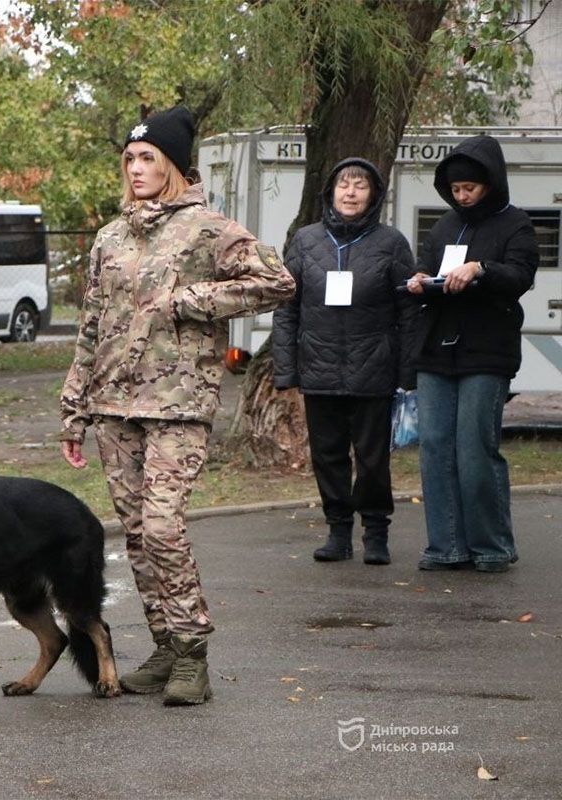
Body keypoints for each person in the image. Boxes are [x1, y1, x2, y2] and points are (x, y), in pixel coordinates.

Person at [59, 107, 295, 704]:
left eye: (148, 158)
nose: (136, 169)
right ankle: (164, 646)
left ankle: (193, 652)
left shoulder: (207, 228)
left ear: (172, 165)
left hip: (178, 403)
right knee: (137, 533)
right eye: (130, 160)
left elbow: (277, 281)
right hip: (113, 404)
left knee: (164, 526)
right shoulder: (111, 237)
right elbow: (92, 323)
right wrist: (73, 408)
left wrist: (194, 299)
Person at [273, 158, 418, 566]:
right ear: (331, 192)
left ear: (374, 195)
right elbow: (286, 307)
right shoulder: (306, 241)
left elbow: (408, 311)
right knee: (328, 455)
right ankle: (338, 531)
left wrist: (407, 372)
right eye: (343, 184)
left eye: (360, 186)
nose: (350, 192)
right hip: (318, 368)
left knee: (372, 460)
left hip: (374, 370)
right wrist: (286, 370)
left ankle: (376, 533)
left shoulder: (391, 243)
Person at [405, 135, 539, 573]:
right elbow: (426, 268)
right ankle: (446, 547)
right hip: (437, 351)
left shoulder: (515, 224)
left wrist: (481, 269)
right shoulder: (444, 226)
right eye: (455, 190)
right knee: (435, 449)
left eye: (470, 188)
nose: (462, 196)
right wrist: (420, 280)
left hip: (487, 351)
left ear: (491, 183)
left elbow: (520, 275)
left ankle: (491, 546)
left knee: (474, 449)